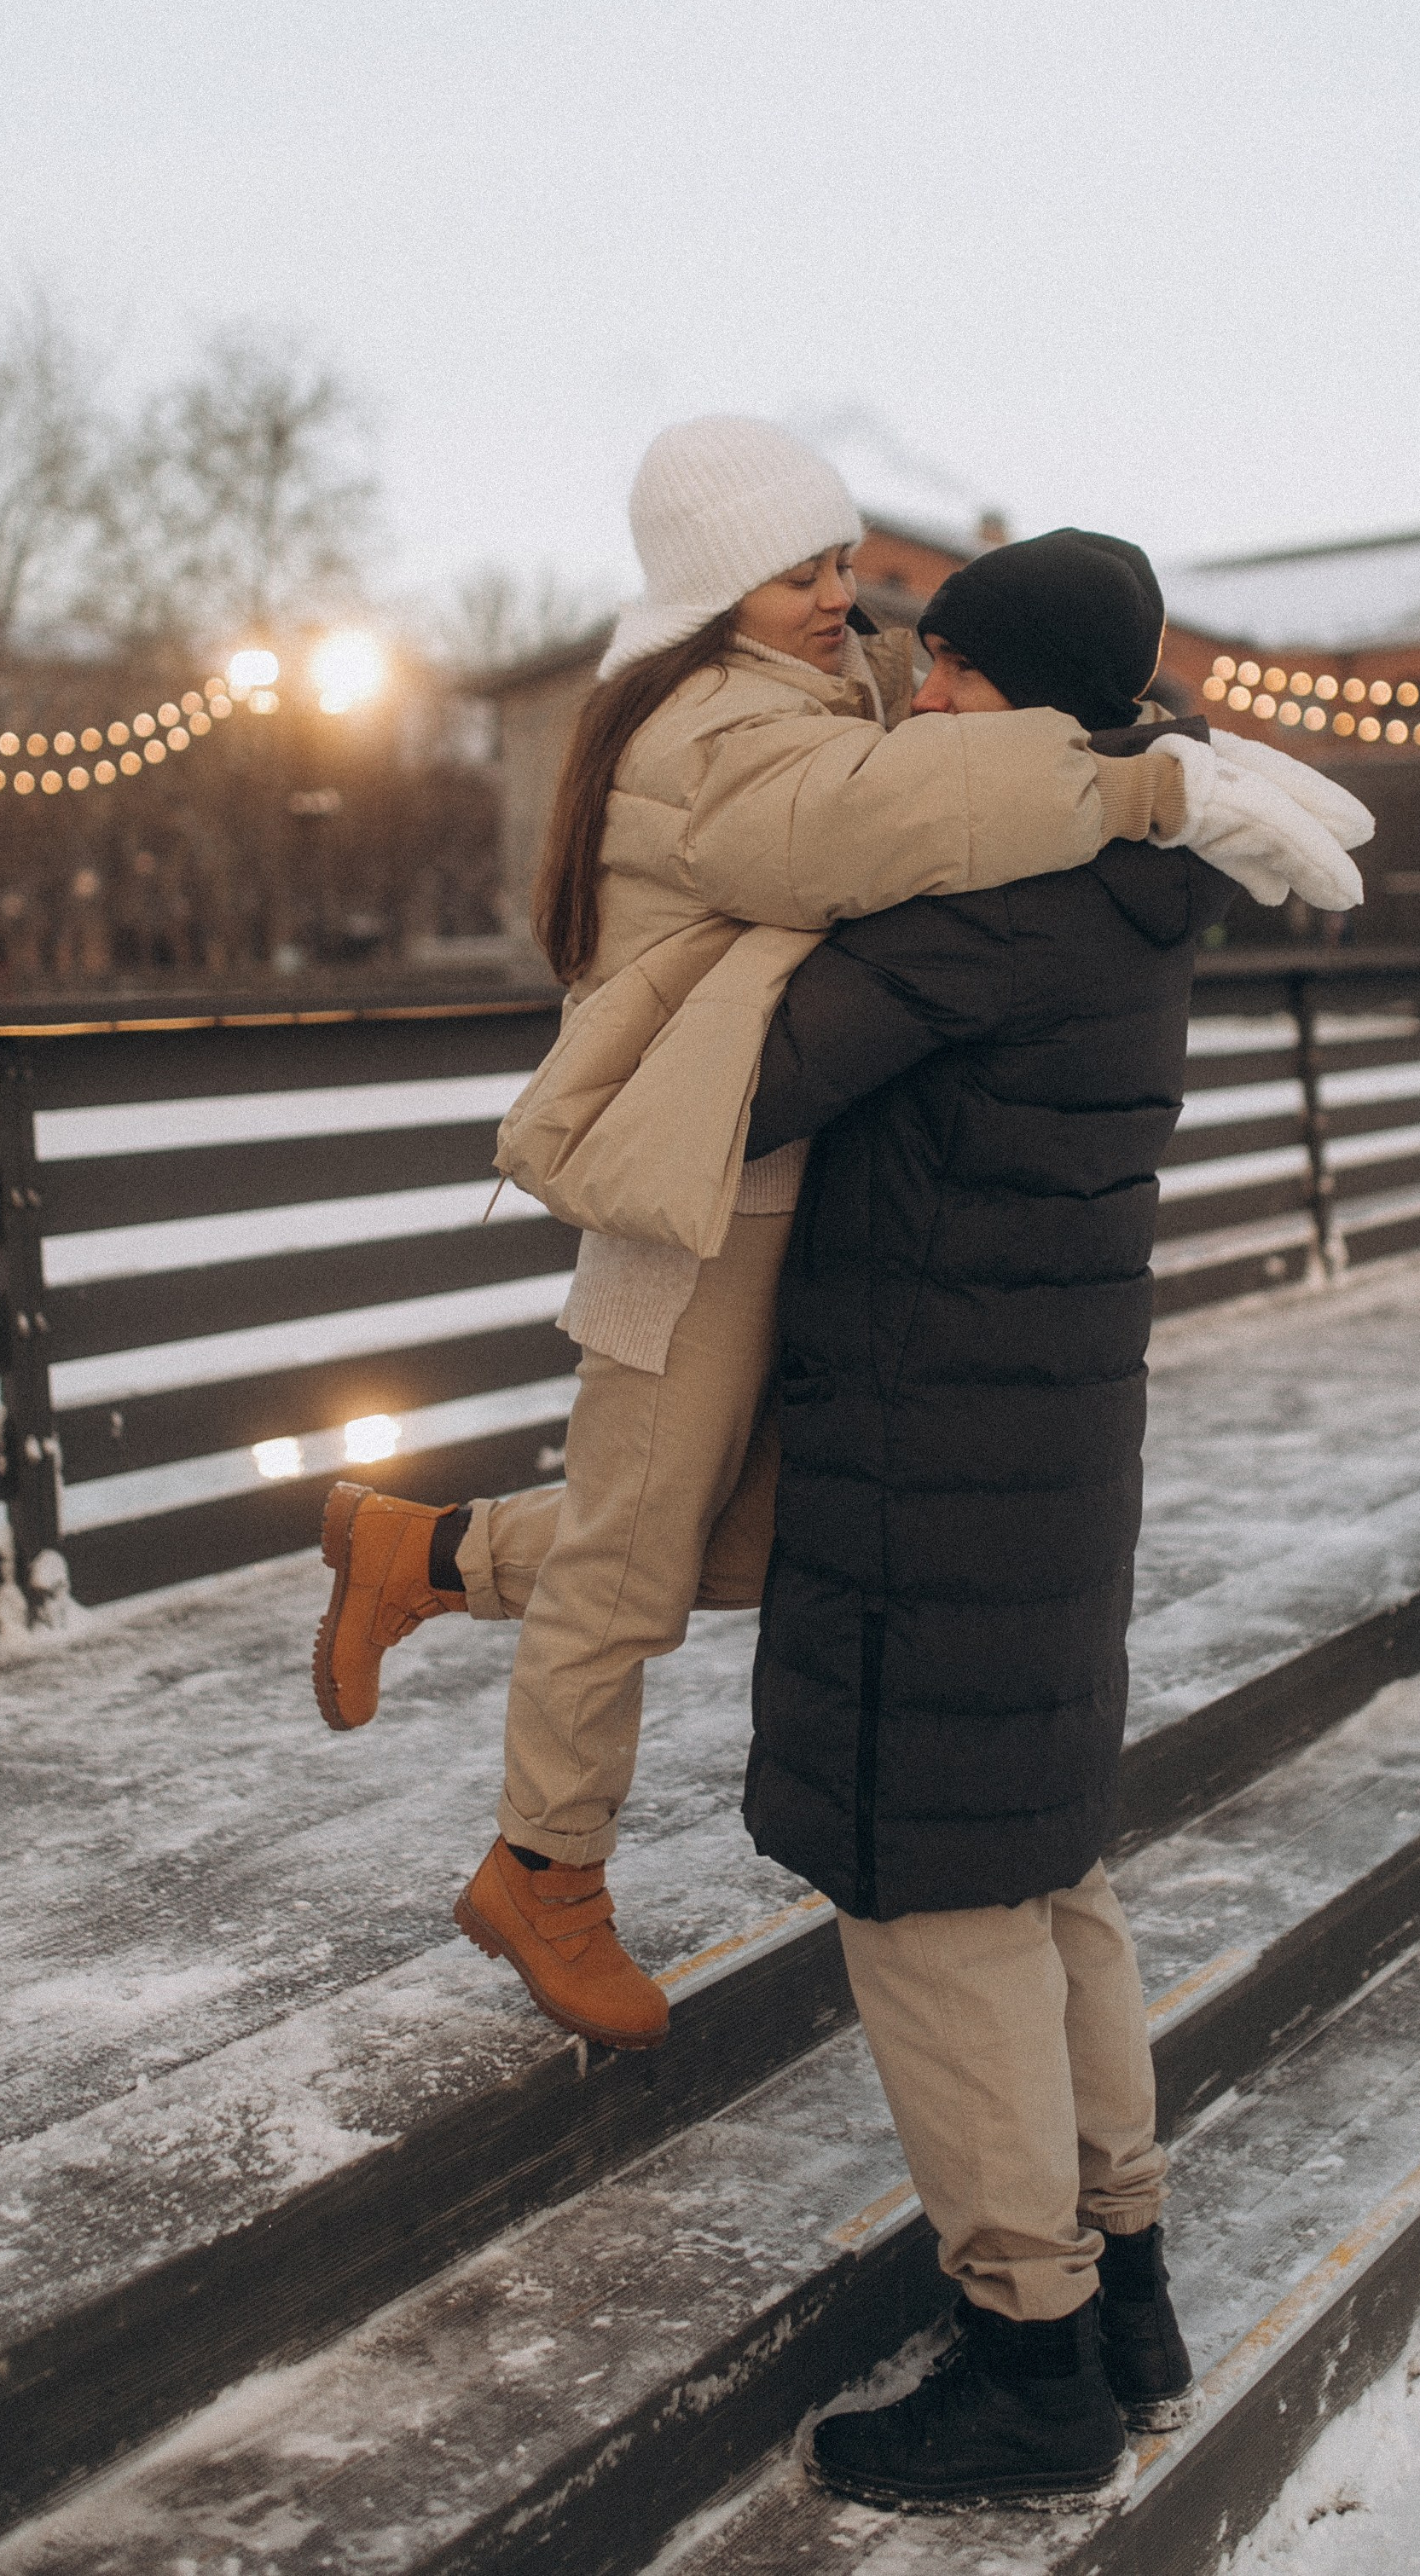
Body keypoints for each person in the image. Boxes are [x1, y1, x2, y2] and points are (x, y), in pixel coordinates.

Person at [310, 423, 1366, 2061]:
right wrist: (1148, 784)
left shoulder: (802, 689)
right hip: (703, 1192)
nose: (841, 597)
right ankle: (543, 1869)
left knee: (741, 1540)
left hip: (781, 1162)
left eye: (844, 561)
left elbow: (959, 727)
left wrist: (1138, 723)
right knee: (633, 1565)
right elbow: (883, 822)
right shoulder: (711, 731)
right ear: (716, 588)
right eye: (803, 573)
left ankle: (422, 1557)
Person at [735, 527, 1354, 2509]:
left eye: (946, 669)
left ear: (1004, 690)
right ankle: (1129, 2288)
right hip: (1042, 1449)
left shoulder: (996, 891)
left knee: (931, 1907)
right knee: (1048, 1873)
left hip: (933, 1457)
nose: (917, 692)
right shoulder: (1134, 876)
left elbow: (747, 1079)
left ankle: (1029, 2359)